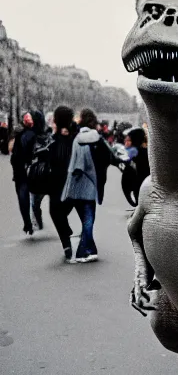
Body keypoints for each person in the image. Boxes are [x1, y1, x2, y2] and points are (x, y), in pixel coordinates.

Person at [61, 109, 111, 263]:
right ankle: (87, 250)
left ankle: (86, 250)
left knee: (85, 219)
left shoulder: (78, 138)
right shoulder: (97, 138)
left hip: (77, 183)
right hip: (91, 183)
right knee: (89, 219)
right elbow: (108, 157)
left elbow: (74, 162)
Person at [49, 106, 76, 262]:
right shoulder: (72, 136)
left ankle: (66, 240)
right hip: (68, 181)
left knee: (55, 211)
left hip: (59, 181)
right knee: (59, 211)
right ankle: (66, 238)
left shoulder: (57, 138)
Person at [10, 113, 37, 235]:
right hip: (27, 168)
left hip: (21, 169)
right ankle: (31, 220)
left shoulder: (20, 133)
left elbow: (10, 149)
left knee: (23, 197)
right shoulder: (32, 133)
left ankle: (28, 223)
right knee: (30, 197)